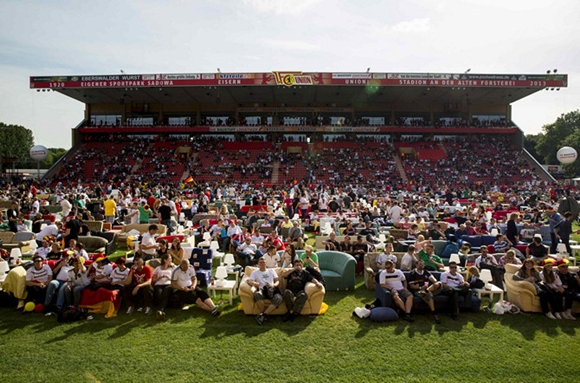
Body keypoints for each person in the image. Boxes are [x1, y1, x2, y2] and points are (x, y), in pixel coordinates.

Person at [247, 257, 283, 325]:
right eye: (261, 262)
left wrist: (274, 285)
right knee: (257, 294)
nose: (262, 264)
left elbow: (277, 281)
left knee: (279, 298)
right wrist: (254, 283)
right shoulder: (255, 272)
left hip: (272, 290)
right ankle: (263, 314)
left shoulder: (271, 271)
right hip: (262, 290)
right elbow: (249, 281)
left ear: (266, 263)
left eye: (263, 262)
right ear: (258, 264)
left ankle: (263, 315)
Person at [152, 254, 174, 319]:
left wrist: (169, 278)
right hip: (159, 284)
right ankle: (161, 310)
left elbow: (175, 279)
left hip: (168, 284)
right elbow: (153, 280)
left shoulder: (172, 268)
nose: (171, 260)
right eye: (170, 259)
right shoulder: (158, 268)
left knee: (166, 292)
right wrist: (159, 277)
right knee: (159, 294)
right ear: (165, 260)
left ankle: (160, 310)